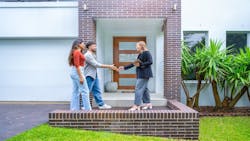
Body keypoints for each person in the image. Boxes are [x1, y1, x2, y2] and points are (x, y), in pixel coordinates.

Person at [119, 41, 153, 111]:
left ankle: (136, 105)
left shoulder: (146, 53)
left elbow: (150, 61)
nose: (136, 47)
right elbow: (134, 63)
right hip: (141, 74)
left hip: (144, 74)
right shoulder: (140, 54)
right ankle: (148, 103)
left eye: (137, 46)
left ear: (141, 46)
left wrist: (141, 64)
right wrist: (124, 67)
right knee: (144, 89)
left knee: (138, 89)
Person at [84, 41, 118, 109]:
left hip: (94, 75)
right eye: (94, 46)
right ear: (89, 46)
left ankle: (101, 104)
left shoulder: (92, 54)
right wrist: (109, 66)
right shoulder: (87, 55)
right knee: (86, 91)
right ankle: (84, 106)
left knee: (97, 90)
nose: (95, 47)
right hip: (89, 75)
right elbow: (96, 64)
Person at [68, 39, 91, 111]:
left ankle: (74, 110)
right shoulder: (77, 52)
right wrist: (81, 77)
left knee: (75, 91)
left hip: (75, 72)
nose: (84, 45)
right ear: (79, 44)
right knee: (85, 91)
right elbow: (77, 65)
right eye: (83, 43)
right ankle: (88, 110)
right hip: (77, 72)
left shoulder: (76, 52)